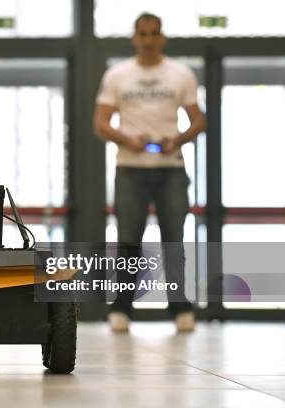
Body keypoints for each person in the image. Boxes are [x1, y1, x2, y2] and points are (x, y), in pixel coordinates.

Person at [93, 12, 206, 332]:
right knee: (129, 240)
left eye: (154, 33)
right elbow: (100, 122)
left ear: (162, 37)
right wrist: (128, 139)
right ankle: (122, 309)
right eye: (142, 34)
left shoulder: (180, 74)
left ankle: (180, 307)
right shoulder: (118, 75)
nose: (148, 40)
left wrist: (178, 139)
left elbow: (199, 121)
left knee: (174, 238)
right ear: (134, 38)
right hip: (130, 168)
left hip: (170, 168)